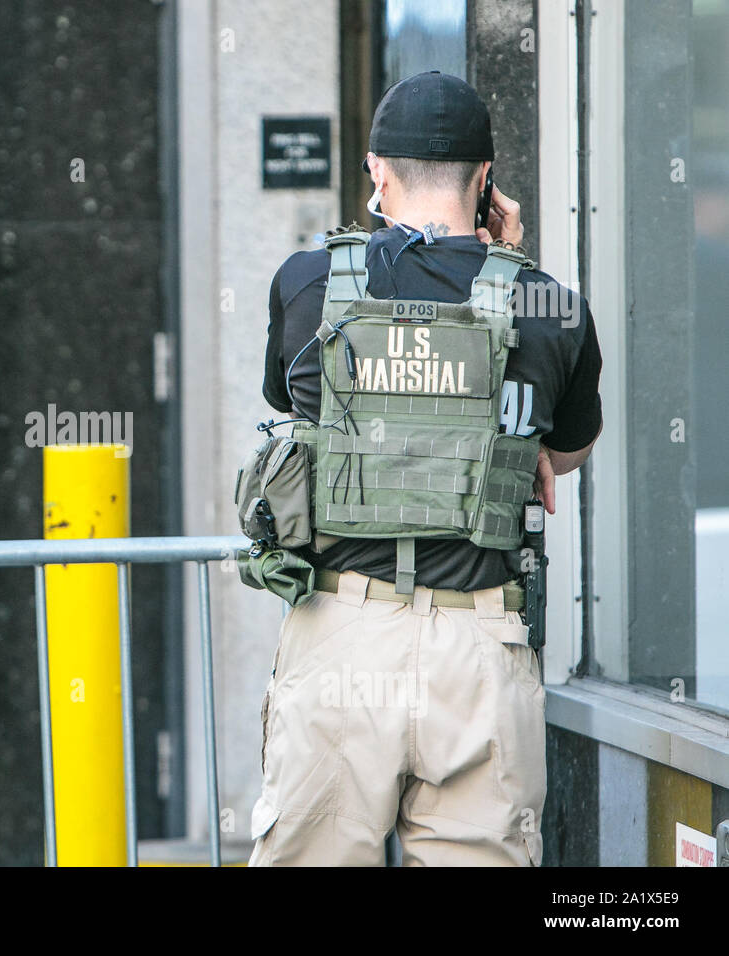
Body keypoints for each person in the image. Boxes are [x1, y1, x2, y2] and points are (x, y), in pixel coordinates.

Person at [249, 72, 603, 866]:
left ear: (377, 170)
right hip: (479, 646)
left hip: (341, 634)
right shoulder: (551, 306)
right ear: (486, 179)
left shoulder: (307, 284)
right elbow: (569, 452)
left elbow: (292, 406)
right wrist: (510, 264)